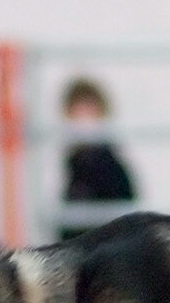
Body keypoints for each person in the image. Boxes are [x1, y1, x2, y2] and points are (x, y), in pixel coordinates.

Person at [56, 77, 137, 241]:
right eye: (77, 110)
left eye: (89, 109)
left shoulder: (107, 163)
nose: (83, 118)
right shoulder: (75, 162)